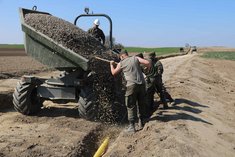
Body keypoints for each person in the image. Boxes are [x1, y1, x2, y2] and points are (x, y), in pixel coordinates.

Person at [110, 49, 150, 133]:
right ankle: (143, 121)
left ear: (122, 56)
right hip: (142, 84)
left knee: (130, 105)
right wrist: (146, 70)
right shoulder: (135, 58)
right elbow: (147, 63)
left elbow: (113, 73)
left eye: (120, 58)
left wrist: (111, 64)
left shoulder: (121, 63)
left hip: (131, 86)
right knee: (141, 103)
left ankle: (132, 127)